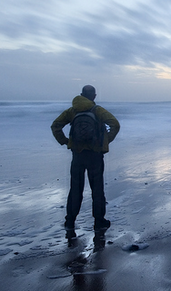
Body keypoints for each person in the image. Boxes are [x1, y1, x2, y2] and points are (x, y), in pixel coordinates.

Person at [51, 85, 120, 234]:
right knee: (97, 190)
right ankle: (99, 223)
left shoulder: (72, 111)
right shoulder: (98, 110)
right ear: (94, 96)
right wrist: (106, 141)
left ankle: (70, 221)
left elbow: (55, 126)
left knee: (75, 189)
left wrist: (65, 141)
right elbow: (115, 124)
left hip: (77, 155)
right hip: (95, 155)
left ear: (81, 94)